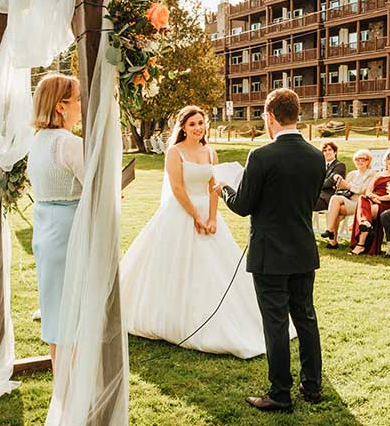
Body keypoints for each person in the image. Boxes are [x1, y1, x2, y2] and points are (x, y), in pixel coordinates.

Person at [121, 105, 290, 361]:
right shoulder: (175, 152)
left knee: (217, 268)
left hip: (209, 214)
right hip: (181, 213)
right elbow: (177, 189)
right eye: (192, 124)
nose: (198, 128)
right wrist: (195, 216)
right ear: (183, 128)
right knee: (177, 267)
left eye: (201, 123)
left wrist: (212, 217)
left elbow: (215, 186)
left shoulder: (210, 152)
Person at [218, 88, 325, 411]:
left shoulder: (261, 157)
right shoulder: (316, 156)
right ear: (297, 116)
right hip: (303, 249)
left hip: (270, 254)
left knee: (276, 323)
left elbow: (244, 205)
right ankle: (312, 386)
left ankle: (280, 393)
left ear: (270, 117)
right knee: (305, 317)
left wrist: (224, 189)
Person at [26, 74, 84, 370]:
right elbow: (96, 189)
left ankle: (61, 380)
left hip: (45, 229)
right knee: (75, 310)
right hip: (70, 231)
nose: (80, 106)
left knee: (54, 310)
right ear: (61, 106)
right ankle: (75, 385)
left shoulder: (37, 141)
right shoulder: (69, 143)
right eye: (77, 100)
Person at [349, 149, 390, 256]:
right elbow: (368, 191)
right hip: (374, 200)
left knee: (365, 209)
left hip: (389, 203)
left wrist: (380, 199)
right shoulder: (379, 174)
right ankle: (365, 223)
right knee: (362, 198)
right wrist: (373, 197)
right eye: (388, 158)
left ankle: (361, 243)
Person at [322, 149, 376, 249]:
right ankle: (331, 236)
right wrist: (339, 183)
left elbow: (363, 190)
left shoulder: (372, 174)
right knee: (334, 198)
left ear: (368, 161)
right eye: (357, 159)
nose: (360, 161)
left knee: (336, 210)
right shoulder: (352, 174)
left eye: (363, 159)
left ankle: (331, 237)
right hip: (348, 199)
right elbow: (345, 189)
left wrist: (347, 185)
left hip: (361, 202)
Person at [314, 141, 346, 211]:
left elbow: (331, 181)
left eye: (330, 150)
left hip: (328, 198)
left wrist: (316, 185)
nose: (327, 152)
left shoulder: (340, 165)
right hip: (316, 195)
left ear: (335, 152)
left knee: (305, 204)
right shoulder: (319, 166)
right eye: (324, 151)